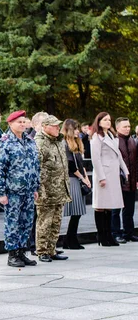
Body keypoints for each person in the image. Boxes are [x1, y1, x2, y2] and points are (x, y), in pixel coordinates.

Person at [0, 111, 40, 267]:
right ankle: (12, 254)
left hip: (28, 190)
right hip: (13, 191)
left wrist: (35, 188)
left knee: (26, 223)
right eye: (19, 122)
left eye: (24, 121)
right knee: (13, 223)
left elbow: (35, 166)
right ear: (10, 123)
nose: (23, 124)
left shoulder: (30, 141)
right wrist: (0, 192)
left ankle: (22, 252)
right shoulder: (5, 142)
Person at [34, 115, 71, 263]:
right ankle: (42, 251)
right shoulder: (40, 143)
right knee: (45, 222)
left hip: (59, 189)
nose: (57, 128)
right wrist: (40, 189)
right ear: (45, 126)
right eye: (54, 126)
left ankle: (51, 249)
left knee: (56, 221)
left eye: (58, 125)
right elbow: (37, 168)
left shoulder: (58, 141)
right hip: (46, 191)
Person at [90, 112, 129, 246]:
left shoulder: (111, 135)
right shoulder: (96, 137)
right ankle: (102, 236)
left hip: (113, 174)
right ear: (99, 121)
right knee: (101, 206)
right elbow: (95, 158)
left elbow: (118, 155)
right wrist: (101, 177)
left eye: (109, 120)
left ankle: (108, 235)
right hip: (104, 174)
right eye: (105, 120)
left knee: (109, 206)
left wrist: (125, 170)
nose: (108, 122)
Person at [62, 119, 91, 250]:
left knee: (77, 212)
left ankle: (70, 239)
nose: (78, 131)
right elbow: (71, 165)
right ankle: (70, 239)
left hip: (78, 178)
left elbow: (81, 163)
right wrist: (83, 178)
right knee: (75, 211)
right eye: (75, 128)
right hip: (72, 179)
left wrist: (86, 178)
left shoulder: (76, 144)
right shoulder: (65, 144)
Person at [111, 117, 138, 242]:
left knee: (129, 209)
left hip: (131, 181)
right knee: (115, 210)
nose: (127, 129)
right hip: (118, 180)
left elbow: (136, 162)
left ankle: (129, 232)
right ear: (117, 128)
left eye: (128, 126)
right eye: (124, 127)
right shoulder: (114, 141)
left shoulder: (133, 141)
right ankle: (115, 233)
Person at [27, 111, 49, 254]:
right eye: (43, 124)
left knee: (47, 217)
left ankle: (46, 245)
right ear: (35, 126)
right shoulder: (30, 141)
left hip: (49, 184)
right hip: (36, 185)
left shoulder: (50, 140)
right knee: (35, 216)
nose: (46, 126)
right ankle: (33, 245)